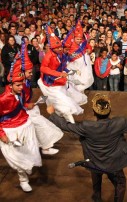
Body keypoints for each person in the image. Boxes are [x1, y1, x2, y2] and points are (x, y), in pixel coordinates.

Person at [46, 93, 127, 202]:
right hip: (114, 163)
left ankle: (97, 198)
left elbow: (66, 126)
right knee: (120, 183)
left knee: (96, 182)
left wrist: (52, 114)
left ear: (94, 112)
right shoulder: (119, 123)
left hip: (94, 162)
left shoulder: (86, 126)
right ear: (110, 110)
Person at [0, 57, 42, 192]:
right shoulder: (3, 99)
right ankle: (23, 180)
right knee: (18, 157)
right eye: (18, 85)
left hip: (25, 125)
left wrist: (27, 105)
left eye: (22, 84)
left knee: (29, 151)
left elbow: (21, 105)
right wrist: (1, 134)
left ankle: (27, 166)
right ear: (10, 85)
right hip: (11, 130)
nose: (21, 87)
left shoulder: (22, 91)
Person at [20, 40, 63, 155]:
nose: (31, 74)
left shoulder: (26, 83)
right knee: (42, 124)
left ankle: (45, 146)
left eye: (31, 72)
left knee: (43, 123)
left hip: (27, 110)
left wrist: (30, 104)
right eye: (29, 72)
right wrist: (25, 105)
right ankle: (44, 147)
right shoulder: (18, 86)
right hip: (19, 115)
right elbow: (13, 104)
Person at [38, 25, 86, 124]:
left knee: (66, 101)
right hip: (50, 84)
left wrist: (72, 72)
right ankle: (69, 122)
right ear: (52, 48)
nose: (60, 49)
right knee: (63, 103)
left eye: (60, 47)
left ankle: (68, 120)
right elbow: (43, 68)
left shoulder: (62, 55)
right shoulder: (48, 56)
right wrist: (59, 73)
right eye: (57, 48)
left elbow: (64, 67)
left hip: (60, 82)